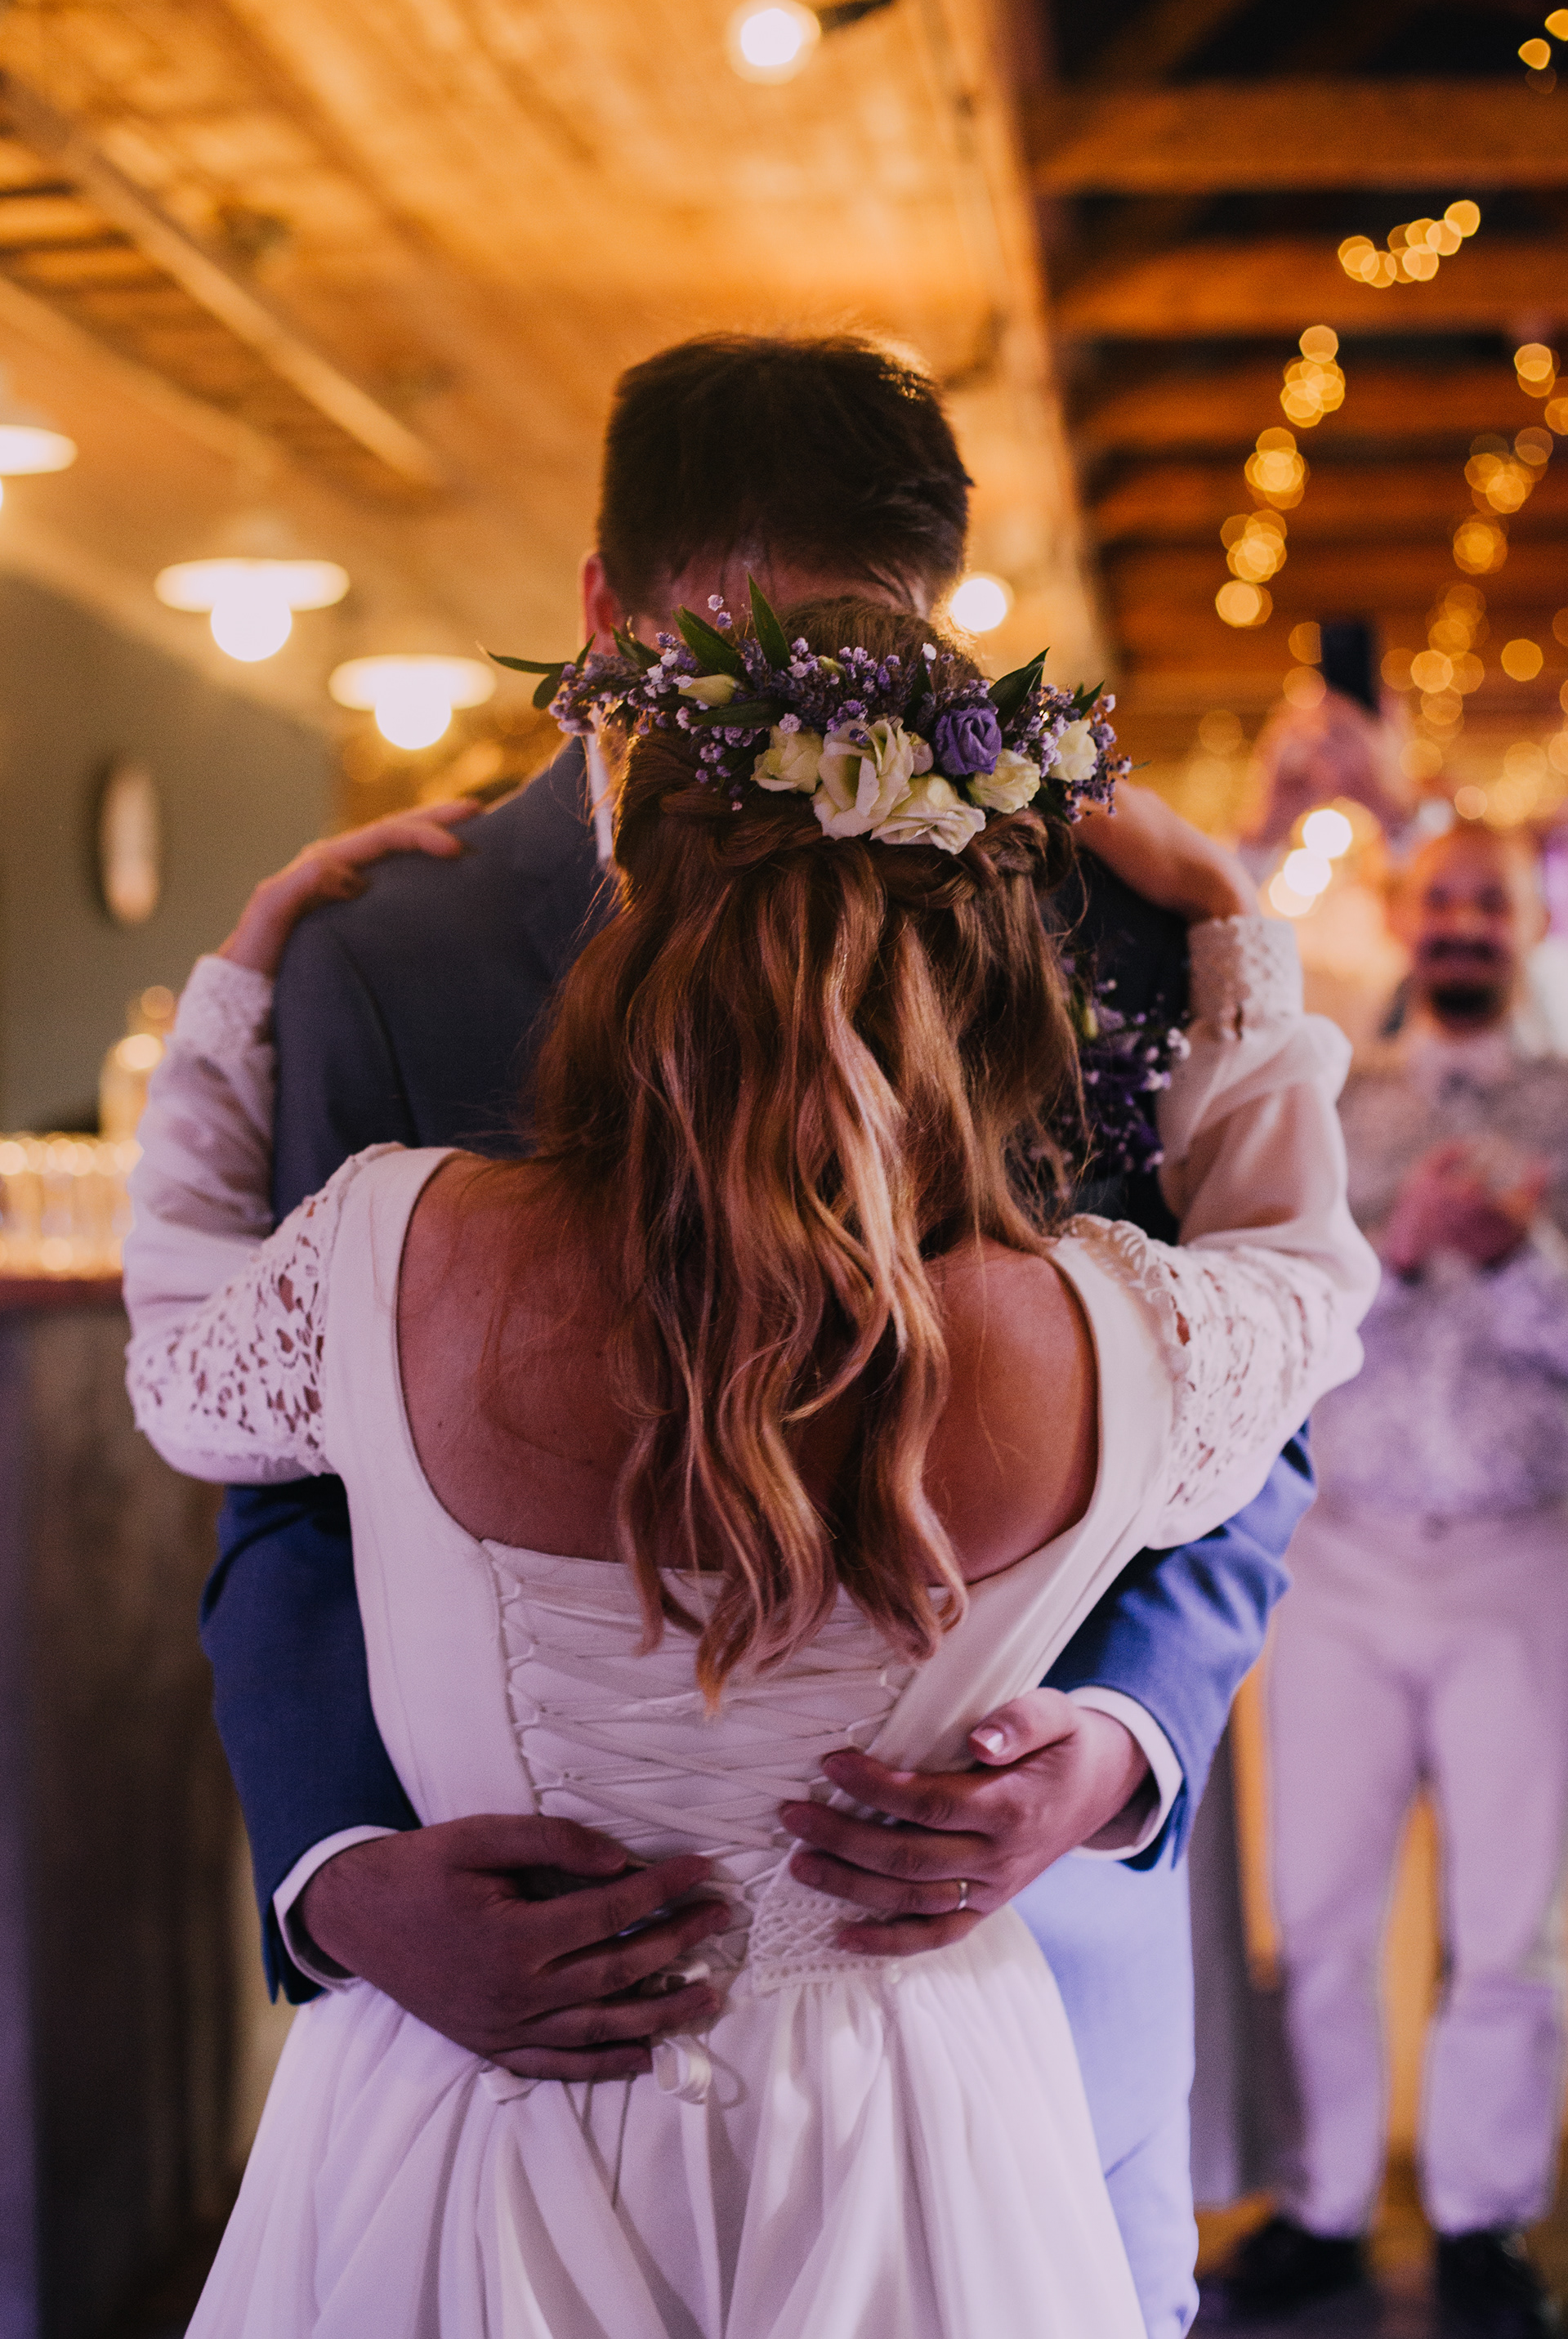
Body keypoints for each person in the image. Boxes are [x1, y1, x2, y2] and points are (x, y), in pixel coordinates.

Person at [192, 335, 1303, 2338]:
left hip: (1019, 1994)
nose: (803, 708)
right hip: (507, 2019)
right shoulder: (394, 955)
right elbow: (282, 1486)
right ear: (600, 619)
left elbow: (1250, 1421)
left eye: (860, 649)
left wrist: (1117, 1748)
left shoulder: (1094, 911)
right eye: (735, 660)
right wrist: (341, 1866)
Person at [1212, 825, 1568, 2339]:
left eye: (1492, 901)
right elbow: (1281, 1338)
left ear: (1527, 923)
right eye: (1445, 899)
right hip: (1341, 1554)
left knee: (1510, 1920)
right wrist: (1400, 1246)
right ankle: (1326, 2206)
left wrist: (1522, 1255)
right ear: (1407, 919)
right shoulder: (1337, 1104)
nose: (1467, 922)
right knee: (1320, 1906)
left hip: (1525, 1555)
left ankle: (1485, 2221)